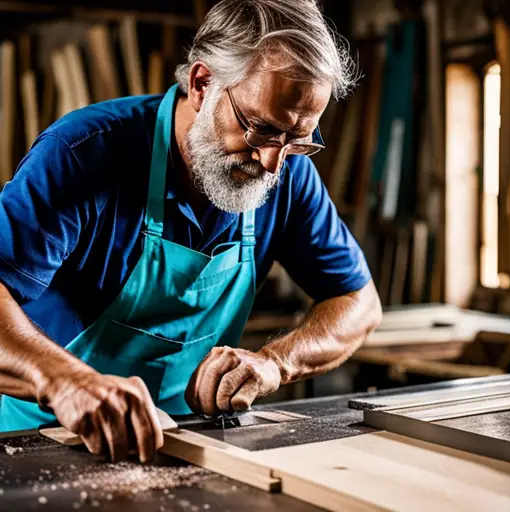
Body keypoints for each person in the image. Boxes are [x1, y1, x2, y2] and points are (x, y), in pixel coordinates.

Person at [0, 0, 382, 463]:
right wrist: (66, 381)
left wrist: (275, 363)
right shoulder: (83, 154)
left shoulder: (284, 173)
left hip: (183, 443)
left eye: (297, 139)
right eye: (260, 129)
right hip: (38, 441)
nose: (272, 163)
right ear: (203, 84)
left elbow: (359, 304)